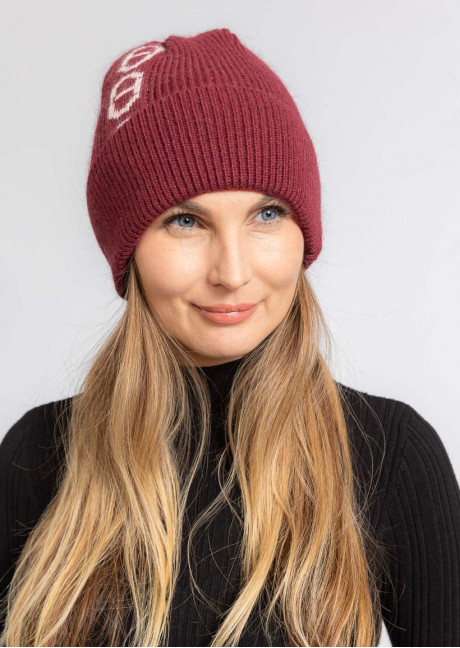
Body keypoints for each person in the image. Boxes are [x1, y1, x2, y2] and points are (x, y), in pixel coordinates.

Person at [0, 27, 459, 647]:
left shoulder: (388, 455)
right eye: (185, 221)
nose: (233, 272)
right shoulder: (39, 455)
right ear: (128, 250)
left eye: (267, 214)